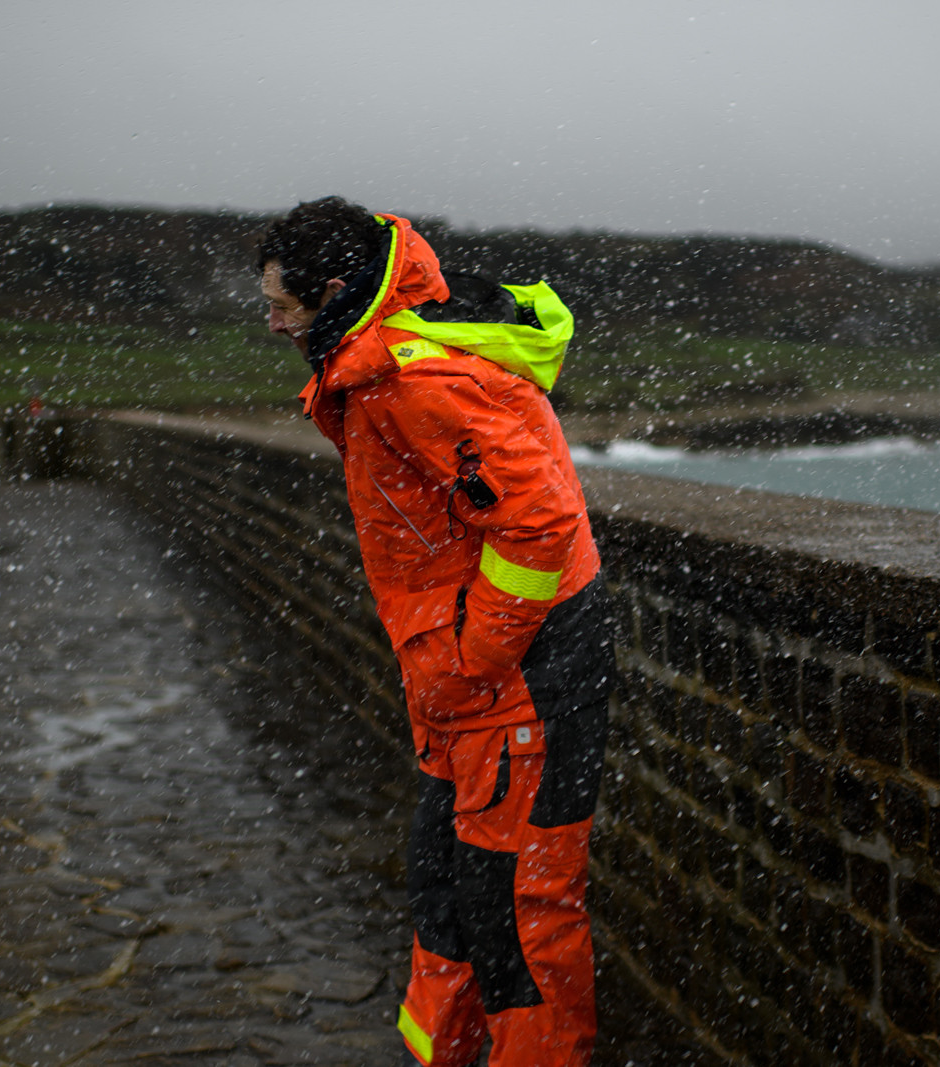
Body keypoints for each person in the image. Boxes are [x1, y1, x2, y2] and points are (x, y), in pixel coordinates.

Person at [255, 196, 612, 1067]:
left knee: (517, 925)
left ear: (338, 291)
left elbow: (538, 524)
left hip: (519, 681)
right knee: (450, 903)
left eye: (282, 306)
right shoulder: (377, 366)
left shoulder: (417, 380)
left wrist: (470, 662)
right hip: (470, 691)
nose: (271, 324)